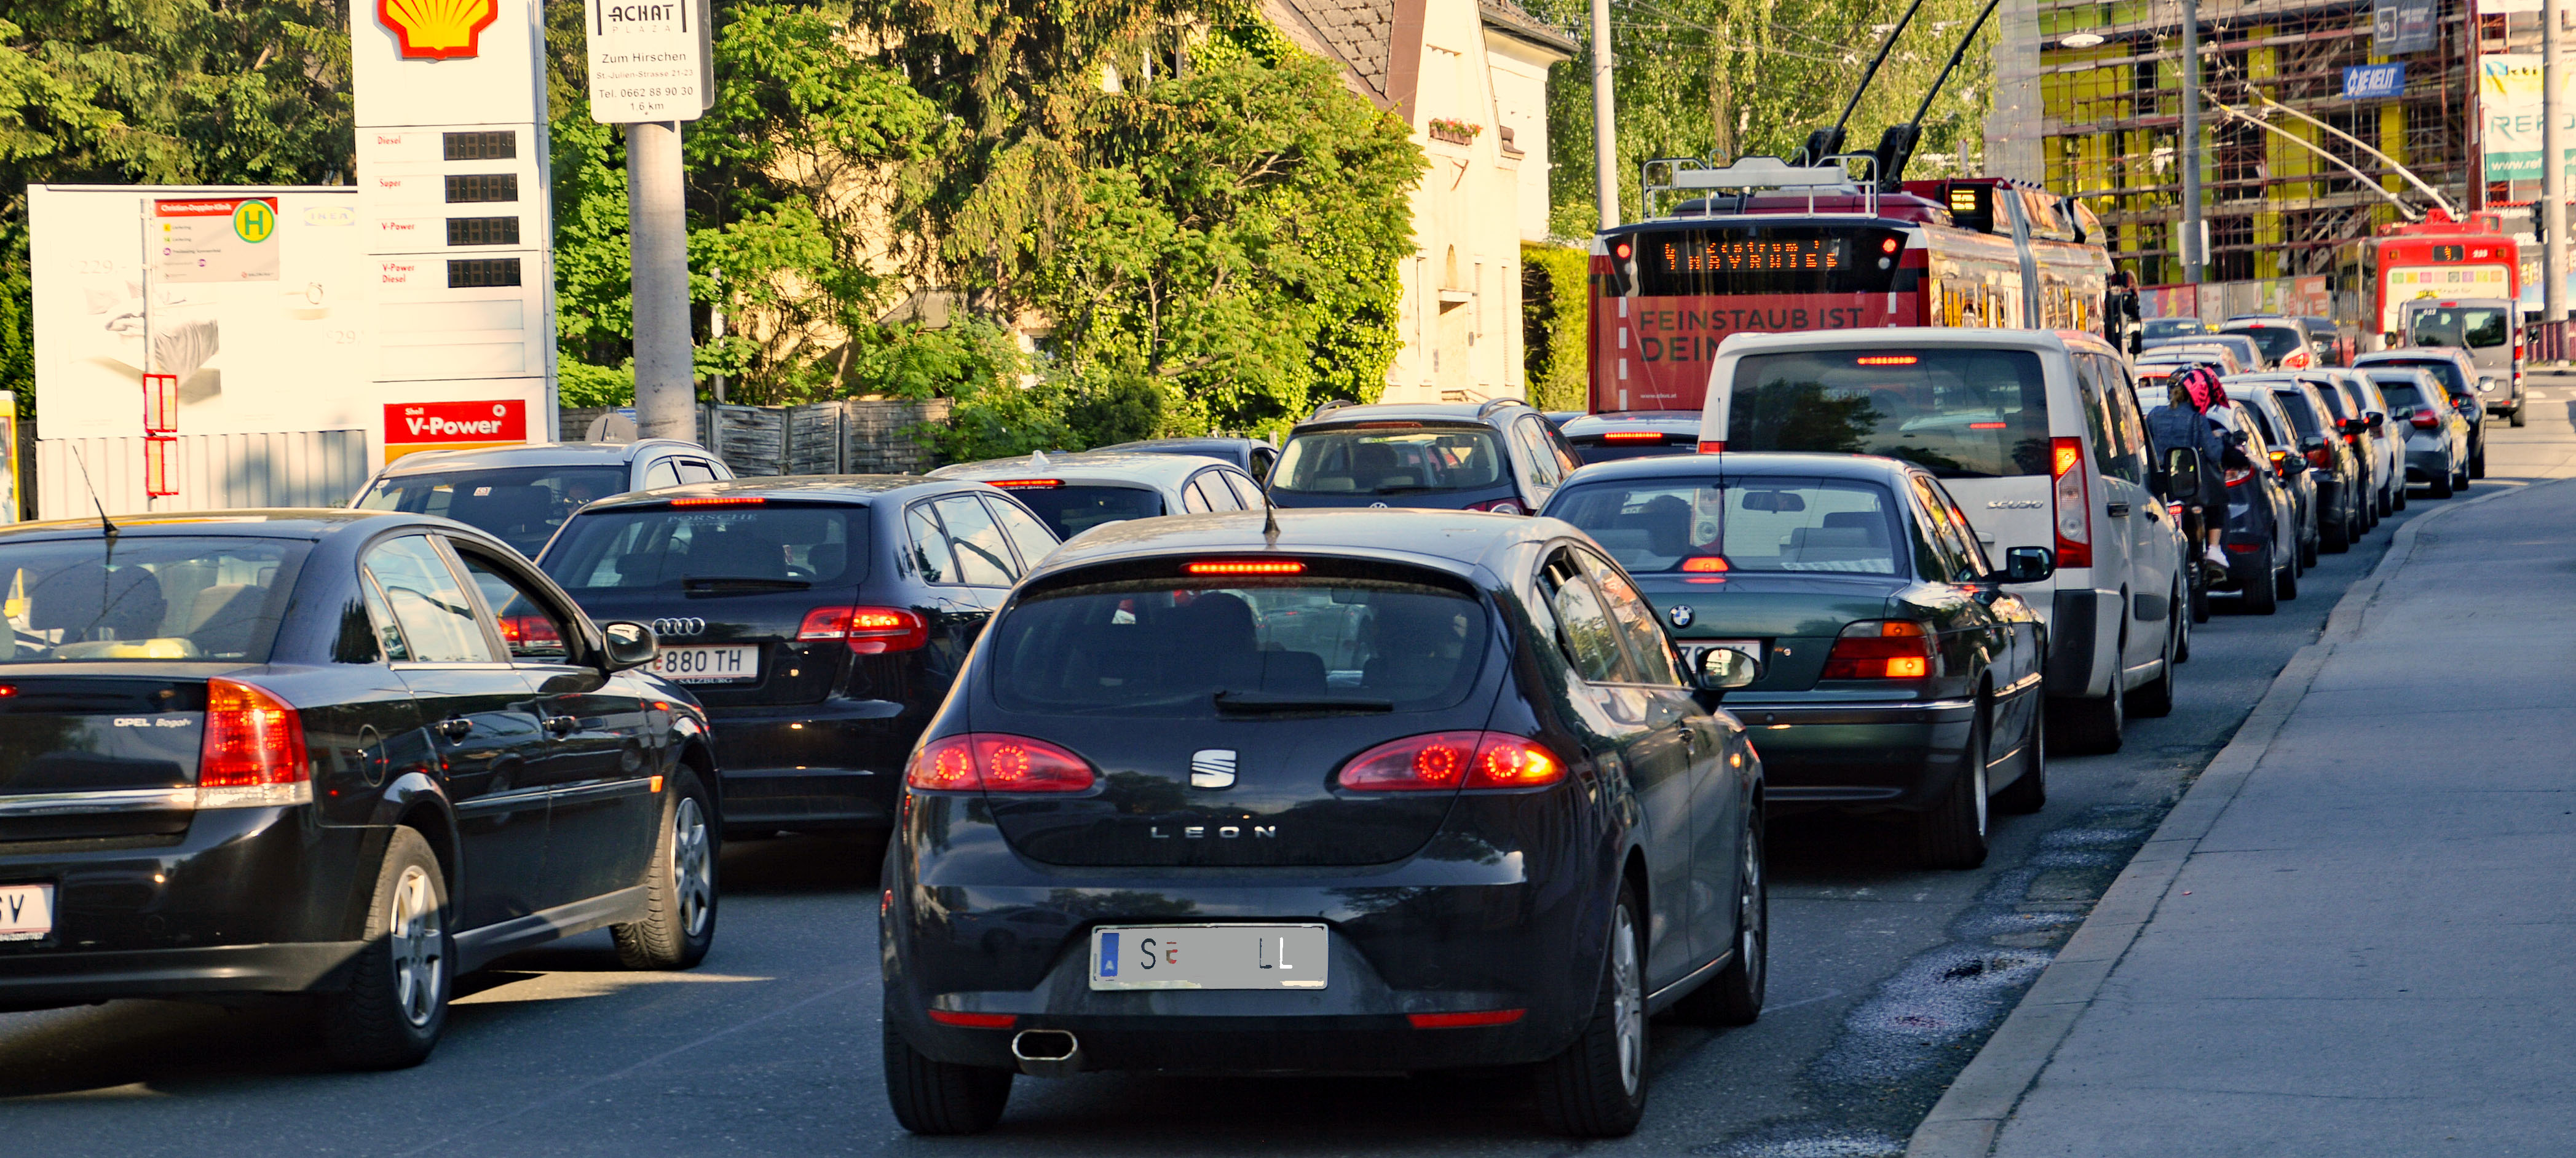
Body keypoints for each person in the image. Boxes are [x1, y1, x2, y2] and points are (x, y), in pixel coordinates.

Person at [2144, 365, 2240, 575]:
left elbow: (2145, 447)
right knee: (2218, 501)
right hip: (2187, 486)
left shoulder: (2154, 415)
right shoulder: (2197, 419)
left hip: (2159, 485)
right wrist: (2220, 440)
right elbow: (2214, 454)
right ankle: (2214, 550)